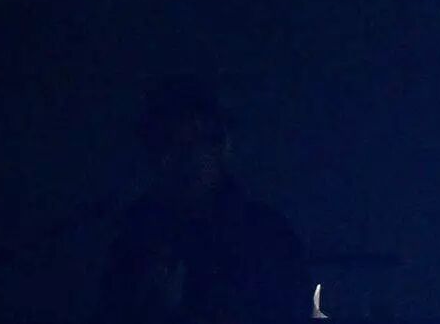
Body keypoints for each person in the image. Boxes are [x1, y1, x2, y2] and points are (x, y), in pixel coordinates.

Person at [96, 76, 315, 324]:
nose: (182, 159)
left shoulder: (266, 235)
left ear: (221, 147)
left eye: (193, 144)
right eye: (167, 145)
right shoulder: (135, 237)